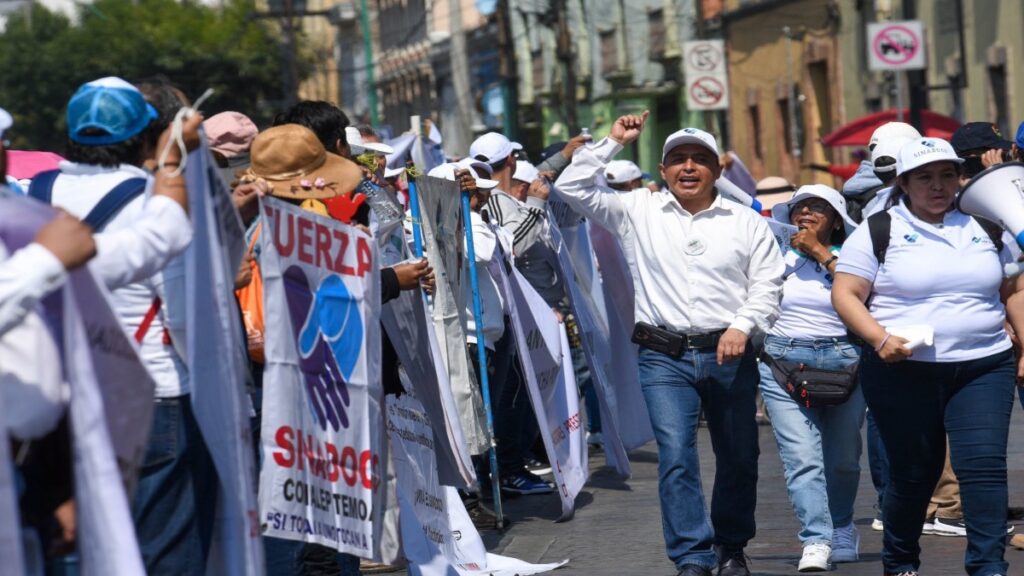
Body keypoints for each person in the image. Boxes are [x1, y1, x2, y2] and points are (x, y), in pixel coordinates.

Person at [556, 113, 784, 576]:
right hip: (664, 356)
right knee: (676, 456)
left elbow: (768, 284)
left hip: (730, 351)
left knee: (739, 455)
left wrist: (742, 326)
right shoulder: (638, 209)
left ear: (717, 170)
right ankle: (692, 557)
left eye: (699, 160)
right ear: (662, 171)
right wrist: (612, 142)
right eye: (677, 159)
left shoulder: (746, 222)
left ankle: (732, 546)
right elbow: (571, 188)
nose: (688, 168)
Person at [832, 137, 1024, 576]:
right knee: (913, 475)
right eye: (924, 177)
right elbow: (845, 294)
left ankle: (988, 567)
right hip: (903, 370)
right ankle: (900, 561)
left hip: (984, 365)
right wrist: (880, 339)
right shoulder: (879, 228)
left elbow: (1014, 290)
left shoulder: (987, 225)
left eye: (946, 175)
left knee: (984, 469)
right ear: (903, 182)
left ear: (959, 177)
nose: (937, 185)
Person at [760, 185, 863, 571]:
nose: (805, 212)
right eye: (800, 207)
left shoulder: (854, 256)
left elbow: (866, 298)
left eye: (817, 207)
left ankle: (841, 527)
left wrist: (822, 254)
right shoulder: (774, 254)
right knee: (803, 457)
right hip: (783, 360)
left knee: (843, 460)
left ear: (836, 220)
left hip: (844, 361)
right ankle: (816, 539)